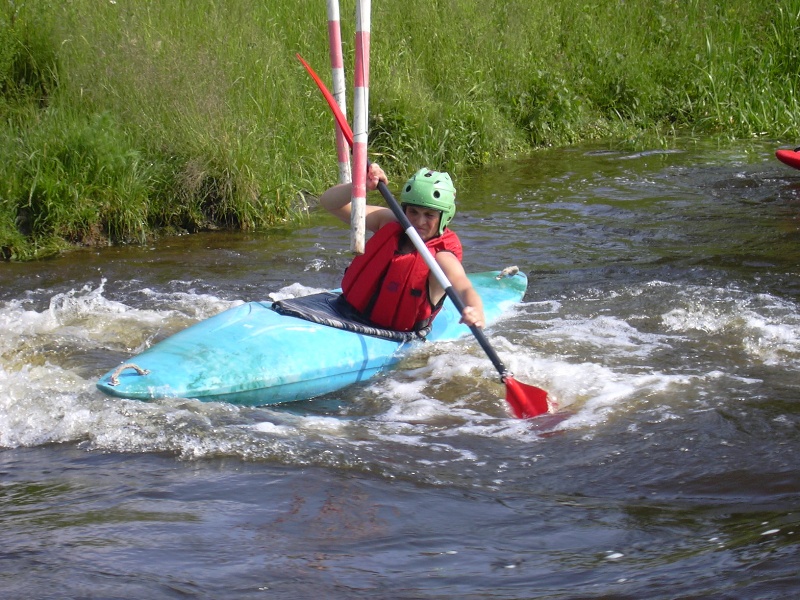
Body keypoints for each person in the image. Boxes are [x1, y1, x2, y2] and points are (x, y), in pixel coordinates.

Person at [320, 163, 485, 334]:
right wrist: (361, 184)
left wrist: (475, 309)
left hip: (391, 335)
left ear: (444, 217)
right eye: (413, 212)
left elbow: (464, 286)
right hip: (342, 310)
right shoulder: (387, 222)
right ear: (404, 209)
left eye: (429, 215)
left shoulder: (442, 256)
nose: (419, 222)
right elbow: (329, 203)